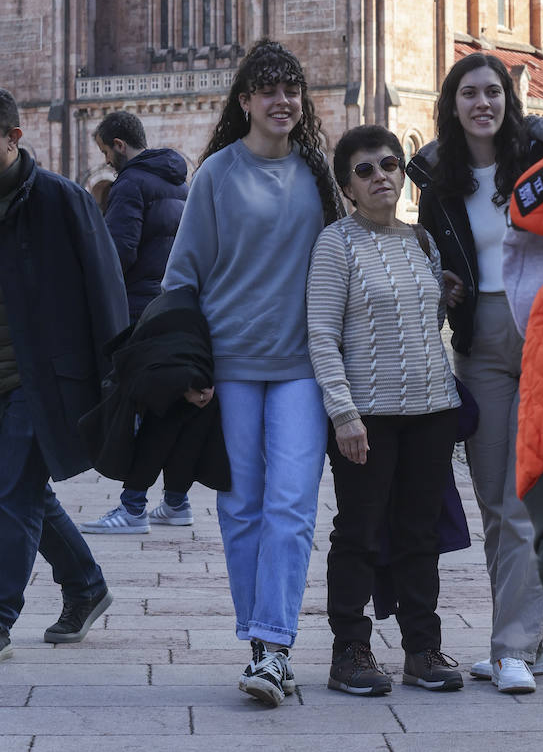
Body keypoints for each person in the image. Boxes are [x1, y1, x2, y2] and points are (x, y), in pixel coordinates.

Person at [161, 39, 342, 708]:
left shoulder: (318, 174)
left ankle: (273, 645)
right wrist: (187, 365)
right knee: (240, 507)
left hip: (299, 366)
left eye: (291, 89)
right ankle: (261, 645)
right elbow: (182, 277)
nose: (281, 100)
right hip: (230, 367)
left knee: (292, 506)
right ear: (244, 101)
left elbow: (340, 267)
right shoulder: (215, 175)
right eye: (267, 89)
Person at [407, 53, 543, 693]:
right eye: (470, 93)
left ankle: (511, 650)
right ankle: (524, 639)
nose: (483, 103)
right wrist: (440, 286)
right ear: (452, 105)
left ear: (510, 100)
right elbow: (430, 255)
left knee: (524, 496)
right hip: (479, 343)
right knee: (495, 502)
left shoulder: (539, 162)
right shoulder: (437, 178)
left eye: (493, 92)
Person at [308, 124, 465, 696]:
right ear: (347, 186)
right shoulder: (335, 243)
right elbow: (322, 334)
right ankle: (350, 650)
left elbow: (427, 328)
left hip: (431, 410)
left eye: (390, 165)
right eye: (365, 169)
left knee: (419, 534)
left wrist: (440, 296)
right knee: (359, 532)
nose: (381, 176)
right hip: (367, 419)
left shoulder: (421, 242)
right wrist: (343, 414)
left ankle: (422, 649)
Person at [0, 89, 129, 662]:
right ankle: (86, 586)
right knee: (24, 493)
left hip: (44, 380)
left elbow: (106, 294)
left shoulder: (62, 200)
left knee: (10, 496)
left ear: (13, 138)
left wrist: (115, 380)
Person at [81, 110, 191, 533]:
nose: (107, 160)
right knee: (175, 402)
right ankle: (177, 502)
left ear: (119, 145)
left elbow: (118, 253)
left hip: (138, 307)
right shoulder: (179, 180)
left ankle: (131, 507)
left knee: (138, 404)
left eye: (106, 151)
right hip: (176, 304)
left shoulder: (129, 183)